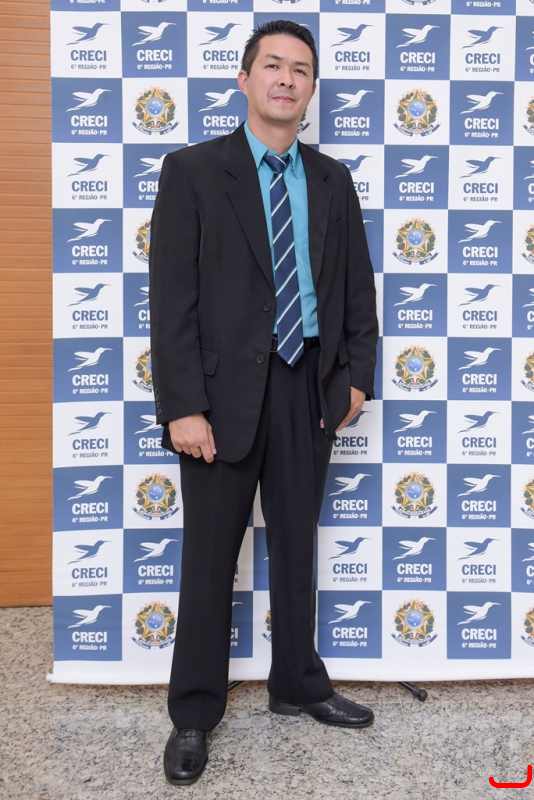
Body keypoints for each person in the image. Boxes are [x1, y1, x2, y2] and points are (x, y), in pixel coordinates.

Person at [149, 19, 379, 787]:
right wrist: (183, 405)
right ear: (245, 79)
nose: (286, 78)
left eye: (301, 69)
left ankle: (297, 684)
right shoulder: (192, 171)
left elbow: (356, 289)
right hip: (219, 397)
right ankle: (193, 712)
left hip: (308, 385)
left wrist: (355, 377)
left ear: (312, 89)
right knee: (210, 557)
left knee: (298, 548)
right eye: (273, 65)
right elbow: (170, 298)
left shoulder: (332, 179)